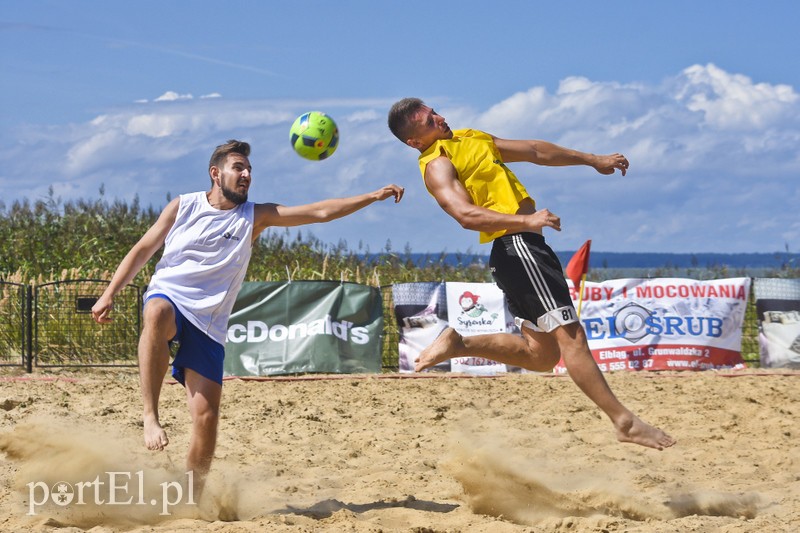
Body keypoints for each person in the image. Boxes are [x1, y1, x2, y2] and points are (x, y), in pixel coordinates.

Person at [92, 139, 404, 492]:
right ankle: (150, 416)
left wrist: (371, 196)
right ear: (216, 173)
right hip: (172, 295)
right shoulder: (183, 206)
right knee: (157, 311)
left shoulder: (255, 215)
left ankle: (191, 494)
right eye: (238, 168)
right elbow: (143, 249)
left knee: (206, 419)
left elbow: (319, 211)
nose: (246, 175)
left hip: (209, 321)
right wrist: (109, 294)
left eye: (249, 170)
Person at [387, 98, 675, 450]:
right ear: (415, 142)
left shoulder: (469, 139)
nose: (441, 119)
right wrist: (527, 221)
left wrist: (593, 159)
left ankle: (459, 343)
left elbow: (536, 150)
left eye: (435, 112)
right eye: (429, 122)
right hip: (518, 248)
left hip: (521, 251)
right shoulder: (437, 165)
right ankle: (624, 421)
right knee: (572, 338)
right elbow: (465, 215)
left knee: (542, 357)